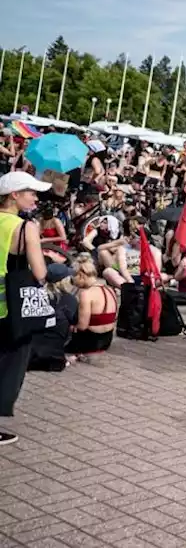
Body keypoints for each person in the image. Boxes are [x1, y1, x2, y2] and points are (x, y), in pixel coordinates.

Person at [0, 171, 51, 446]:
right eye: (30, 191)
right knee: (9, 362)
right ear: (14, 195)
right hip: (9, 309)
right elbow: (40, 271)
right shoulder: (24, 227)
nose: (35, 197)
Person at [65, 254, 118, 360]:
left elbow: (82, 326)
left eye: (73, 278)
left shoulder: (86, 294)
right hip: (106, 340)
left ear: (81, 275)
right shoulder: (110, 289)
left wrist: (70, 327)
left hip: (90, 342)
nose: (73, 282)